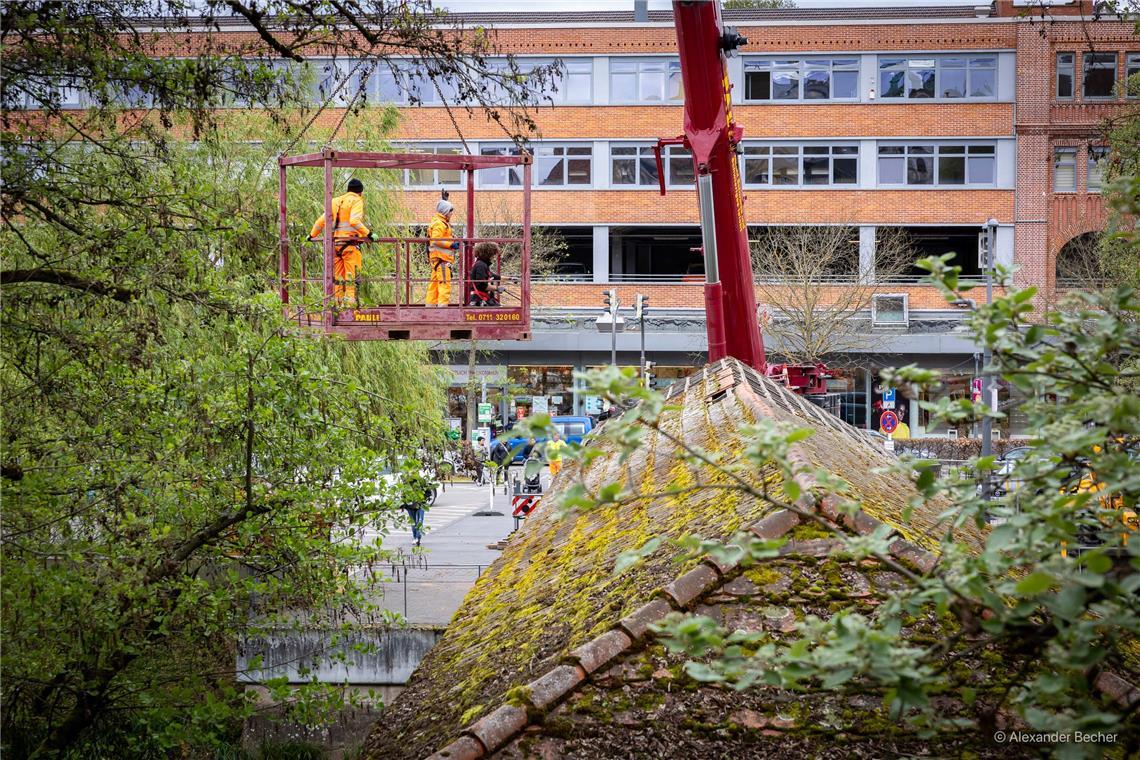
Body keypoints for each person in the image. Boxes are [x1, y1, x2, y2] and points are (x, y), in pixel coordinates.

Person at [308, 178, 378, 305]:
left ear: (348, 190)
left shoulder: (335, 201)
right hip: (349, 245)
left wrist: (311, 235)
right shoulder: (357, 200)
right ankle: (350, 308)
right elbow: (354, 221)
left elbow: (321, 221)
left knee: (338, 279)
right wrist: (369, 234)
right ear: (360, 192)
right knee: (351, 278)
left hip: (335, 245)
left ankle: (337, 306)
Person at [426, 197, 460, 307]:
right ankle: (442, 311)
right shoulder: (440, 224)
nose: (451, 214)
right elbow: (435, 240)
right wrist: (451, 244)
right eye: (450, 211)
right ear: (446, 212)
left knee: (434, 286)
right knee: (444, 286)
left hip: (438, 259)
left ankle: (429, 310)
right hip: (442, 259)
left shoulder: (439, 222)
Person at [468, 241, 502, 307]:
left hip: (481, 298)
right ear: (488, 253)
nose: (494, 256)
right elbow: (481, 285)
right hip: (479, 299)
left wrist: (511, 278)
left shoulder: (482, 264)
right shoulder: (481, 265)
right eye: (493, 253)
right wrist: (497, 288)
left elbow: (494, 276)